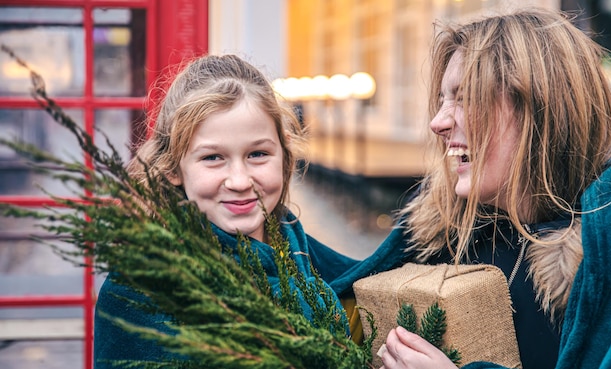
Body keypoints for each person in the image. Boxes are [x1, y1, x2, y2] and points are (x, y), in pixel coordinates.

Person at [93, 54, 407, 368]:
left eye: (257, 154)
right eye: (213, 158)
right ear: (175, 167)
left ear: (284, 158)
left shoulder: (307, 256)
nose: (240, 181)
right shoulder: (138, 289)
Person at [377, 8, 611, 369]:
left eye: (464, 98)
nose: (438, 122)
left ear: (541, 110)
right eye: (443, 99)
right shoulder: (440, 237)